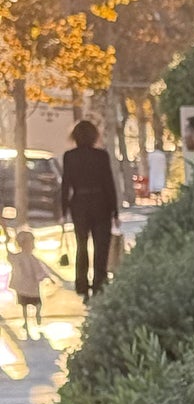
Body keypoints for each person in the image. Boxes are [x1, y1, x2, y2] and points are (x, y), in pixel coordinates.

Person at [60, 119, 119, 302]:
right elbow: (109, 183)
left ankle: (82, 286)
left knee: (82, 246)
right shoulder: (101, 156)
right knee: (101, 246)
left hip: (79, 204)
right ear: (94, 136)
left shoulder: (69, 156)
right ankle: (99, 284)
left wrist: (63, 210)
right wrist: (115, 210)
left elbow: (65, 185)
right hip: (101, 203)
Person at [6, 228, 62, 339]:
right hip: (23, 287)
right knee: (24, 305)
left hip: (32, 286)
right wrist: (7, 240)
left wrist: (48, 277)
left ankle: (38, 318)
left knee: (38, 304)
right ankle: (26, 322)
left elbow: (40, 269)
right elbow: (10, 257)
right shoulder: (19, 258)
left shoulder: (33, 259)